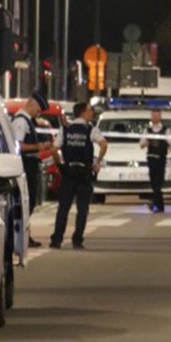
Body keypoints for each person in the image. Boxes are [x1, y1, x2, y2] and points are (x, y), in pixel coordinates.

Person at [51, 102, 108, 249]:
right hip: (84, 172)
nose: (91, 113)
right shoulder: (91, 130)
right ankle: (77, 240)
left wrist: (60, 165)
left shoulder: (65, 129)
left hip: (69, 172)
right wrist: (97, 162)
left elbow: (54, 149)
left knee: (63, 208)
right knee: (82, 209)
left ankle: (57, 240)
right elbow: (104, 144)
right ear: (83, 112)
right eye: (90, 111)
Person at [11, 93, 51, 248]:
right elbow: (18, 145)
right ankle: (22, 236)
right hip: (25, 165)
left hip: (30, 165)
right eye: (39, 110)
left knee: (30, 201)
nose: (38, 113)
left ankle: (25, 234)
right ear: (32, 104)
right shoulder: (21, 122)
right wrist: (38, 147)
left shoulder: (27, 120)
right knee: (26, 201)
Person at [140, 109, 171, 213]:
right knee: (153, 182)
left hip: (161, 159)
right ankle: (159, 205)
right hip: (151, 159)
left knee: (158, 182)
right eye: (153, 116)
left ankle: (156, 204)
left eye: (156, 116)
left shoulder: (165, 130)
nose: (155, 118)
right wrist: (145, 143)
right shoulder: (147, 130)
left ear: (160, 117)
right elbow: (141, 145)